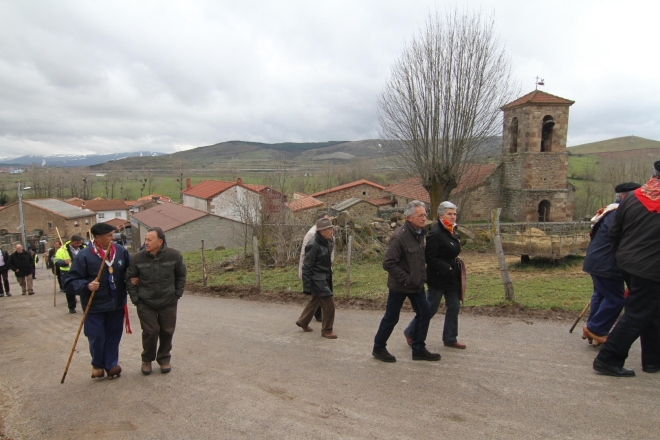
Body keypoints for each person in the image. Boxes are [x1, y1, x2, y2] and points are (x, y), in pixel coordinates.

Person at [593, 161, 660, 377]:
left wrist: (623, 257)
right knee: (638, 313)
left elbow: (615, 232)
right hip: (652, 267)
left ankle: (653, 360)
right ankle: (608, 359)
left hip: (629, 263)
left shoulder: (634, 196)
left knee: (652, 312)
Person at [372, 200, 440, 363]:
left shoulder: (419, 233)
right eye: (420, 215)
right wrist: (407, 279)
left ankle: (419, 349)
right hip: (400, 286)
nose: (424, 218)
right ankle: (379, 348)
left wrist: (420, 278)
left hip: (416, 285)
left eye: (424, 215)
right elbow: (389, 263)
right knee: (391, 317)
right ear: (409, 217)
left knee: (424, 313)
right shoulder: (400, 237)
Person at [64, 222, 131, 380]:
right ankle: (97, 364)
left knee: (114, 335)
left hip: (116, 303)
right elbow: (70, 282)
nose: (113, 238)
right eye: (109, 235)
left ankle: (111, 364)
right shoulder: (85, 255)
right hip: (94, 305)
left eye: (112, 234)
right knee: (97, 336)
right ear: (98, 237)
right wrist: (86, 285)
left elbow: (130, 271)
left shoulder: (120, 251)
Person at [582, 182, 641, 346]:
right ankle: (596, 329)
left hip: (596, 260)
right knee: (616, 299)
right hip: (608, 263)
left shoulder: (610, 211)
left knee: (601, 295)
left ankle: (594, 330)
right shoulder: (620, 213)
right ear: (625, 196)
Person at [403, 201, 466, 350]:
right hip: (438, 277)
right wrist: (446, 267)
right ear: (440, 215)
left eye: (454, 214)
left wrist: (453, 263)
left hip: (451, 277)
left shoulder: (451, 230)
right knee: (431, 307)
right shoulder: (435, 233)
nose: (453, 216)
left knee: (454, 306)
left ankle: (450, 338)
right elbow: (429, 257)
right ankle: (411, 332)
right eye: (449, 214)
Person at [126, 227, 186, 375]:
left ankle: (164, 359)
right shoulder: (137, 258)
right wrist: (136, 299)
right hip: (145, 302)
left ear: (160, 242)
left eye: (149, 240)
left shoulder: (174, 255)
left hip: (168, 301)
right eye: (145, 239)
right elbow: (129, 279)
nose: (146, 242)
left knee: (167, 330)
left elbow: (181, 275)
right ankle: (147, 360)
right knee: (150, 331)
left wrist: (177, 294)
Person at [296, 218, 337, 338]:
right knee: (329, 305)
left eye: (332, 229)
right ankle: (327, 331)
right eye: (329, 229)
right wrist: (307, 286)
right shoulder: (313, 245)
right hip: (317, 280)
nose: (332, 232)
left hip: (324, 278)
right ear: (322, 231)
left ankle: (303, 321)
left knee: (315, 301)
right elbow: (307, 266)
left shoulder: (328, 241)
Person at [55, 235, 86, 314]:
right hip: (68, 272)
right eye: (76, 243)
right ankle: (71, 307)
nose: (78, 245)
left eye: (80, 243)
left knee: (84, 289)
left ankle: (85, 307)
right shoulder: (62, 250)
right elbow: (56, 261)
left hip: (82, 271)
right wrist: (64, 262)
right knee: (70, 290)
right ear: (72, 242)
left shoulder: (84, 248)